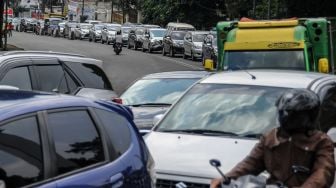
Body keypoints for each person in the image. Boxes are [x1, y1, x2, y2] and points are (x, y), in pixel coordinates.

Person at [210, 88, 335, 188]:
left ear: (308, 116)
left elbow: (323, 172)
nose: (287, 118)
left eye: (293, 115)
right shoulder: (270, 137)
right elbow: (251, 163)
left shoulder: (321, 141)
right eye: (285, 113)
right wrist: (227, 178)